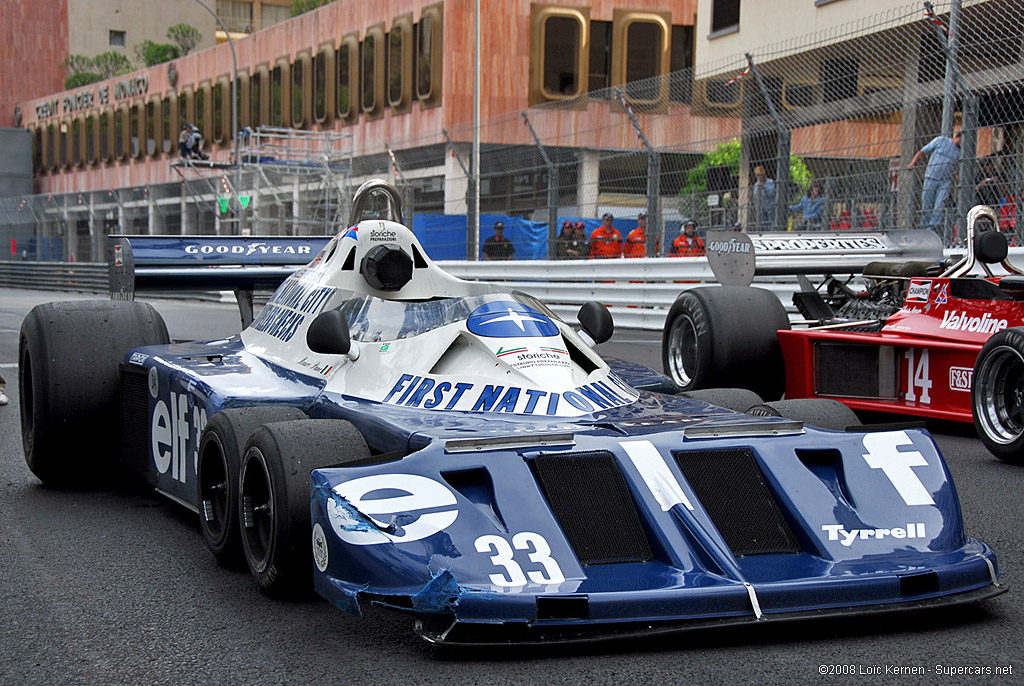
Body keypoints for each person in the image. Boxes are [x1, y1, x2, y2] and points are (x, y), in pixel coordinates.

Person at [907, 129, 961, 232]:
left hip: (946, 180)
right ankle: (924, 229)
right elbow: (923, 151)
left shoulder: (959, 152)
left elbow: (957, 166)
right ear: (958, 137)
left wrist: (956, 176)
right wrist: (913, 163)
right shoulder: (941, 141)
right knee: (927, 205)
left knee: (940, 206)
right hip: (931, 177)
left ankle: (931, 229)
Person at [752, 165, 776, 230]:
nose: (760, 177)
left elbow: (771, 193)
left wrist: (763, 187)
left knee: (771, 225)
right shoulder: (756, 185)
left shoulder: (770, 182)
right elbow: (755, 197)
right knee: (763, 226)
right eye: (758, 176)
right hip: (761, 208)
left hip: (770, 207)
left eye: (761, 175)